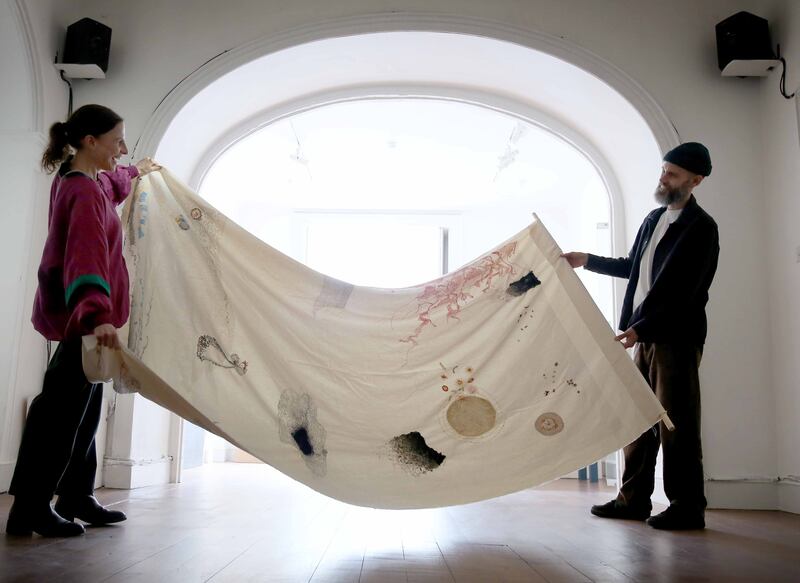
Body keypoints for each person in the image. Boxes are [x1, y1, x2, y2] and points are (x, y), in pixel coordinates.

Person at [5, 104, 160, 537]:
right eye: (117, 141)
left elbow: (111, 182)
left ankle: (76, 496)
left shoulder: (82, 181)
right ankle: (31, 507)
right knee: (57, 415)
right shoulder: (82, 193)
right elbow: (83, 256)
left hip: (81, 322)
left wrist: (135, 172)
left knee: (83, 411)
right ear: (91, 142)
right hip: (84, 321)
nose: (123, 149)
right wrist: (95, 315)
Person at [562, 142, 718, 530]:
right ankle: (633, 501)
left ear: (695, 181)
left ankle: (687, 507)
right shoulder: (654, 218)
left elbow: (686, 294)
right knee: (636, 418)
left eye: (673, 174)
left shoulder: (701, 228)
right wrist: (587, 260)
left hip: (675, 338)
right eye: (664, 170)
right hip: (643, 334)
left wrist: (640, 328)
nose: (664, 178)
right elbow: (634, 267)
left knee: (674, 424)